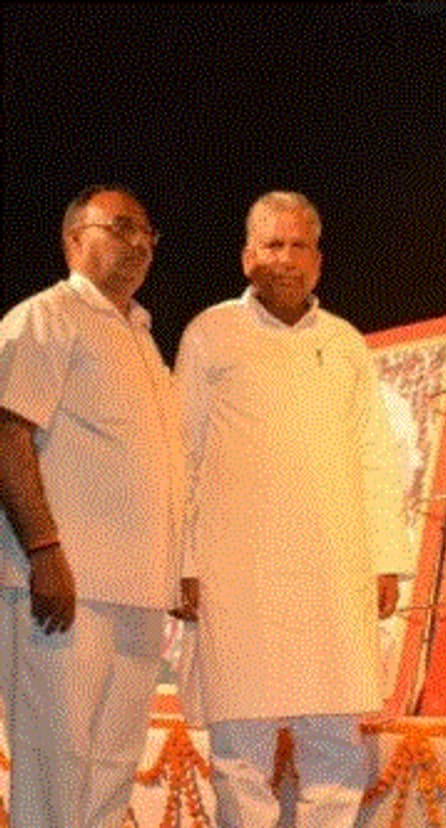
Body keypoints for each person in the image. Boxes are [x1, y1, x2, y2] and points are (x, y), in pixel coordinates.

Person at [173, 191, 410, 826]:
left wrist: (385, 558)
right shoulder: (209, 334)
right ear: (247, 256)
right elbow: (181, 453)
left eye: (298, 246)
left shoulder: (346, 342)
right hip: (236, 574)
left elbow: (374, 455)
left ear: (318, 261)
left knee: (334, 746)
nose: (285, 259)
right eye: (272, 245)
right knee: (239, 754)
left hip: (332, 570)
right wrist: (182, 561)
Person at [0, 185, 183, 827]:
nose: (138, 244)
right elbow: (8, 434)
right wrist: (45, 551)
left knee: (111, 770)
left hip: (139, 594)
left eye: (147, 233)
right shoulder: (46, 318)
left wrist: (177, 570)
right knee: (54, 766)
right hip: (64, 589)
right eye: (121, 228)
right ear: (75, 239)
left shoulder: (142, 337)